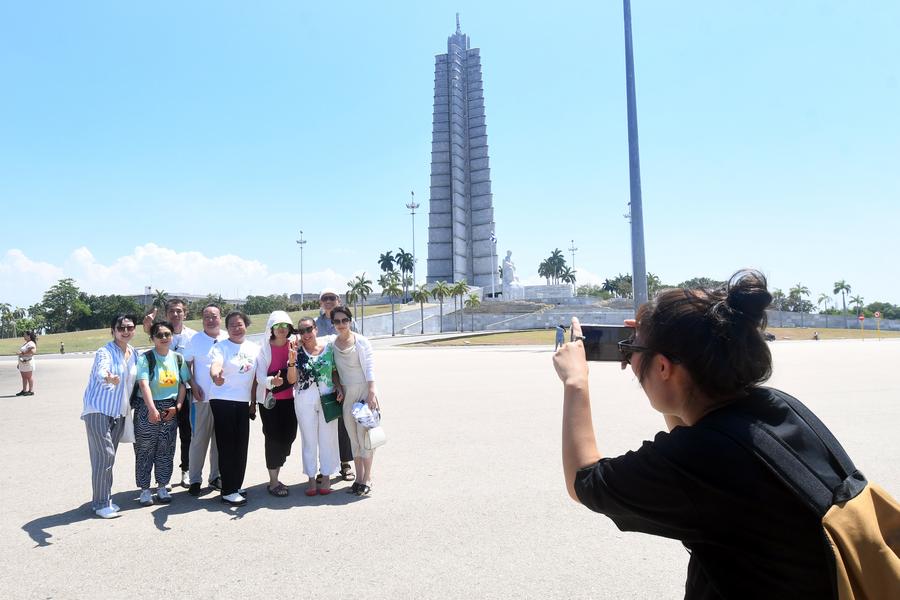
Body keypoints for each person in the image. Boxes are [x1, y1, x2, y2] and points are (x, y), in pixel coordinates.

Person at [554, 270, 856, 598]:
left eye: (636, 351)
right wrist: (648, 352)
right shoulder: (777, 406)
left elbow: (582, 481)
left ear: (664, 368)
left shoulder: (699, 457)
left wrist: (576, 382)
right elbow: (695, 427)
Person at [81, 314, 138, 519]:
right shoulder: (104, 351)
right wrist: (108, 377)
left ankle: (101, 500)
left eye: (129, 327)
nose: (125, 331)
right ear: (112, 330)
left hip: (119, 413)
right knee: (105, 455)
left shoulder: (134, 353)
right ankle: (102, 502)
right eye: (120, 328)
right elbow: (101, 369)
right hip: (98, 410)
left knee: (104, 459)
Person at [133, 321, 191, 506]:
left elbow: (183, 383)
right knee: (145, 449)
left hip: (170, 407)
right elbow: (143, 384)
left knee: (166, 449)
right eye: (160, 335)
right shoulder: (146, 358)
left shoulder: (178, 358)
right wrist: (151, 409)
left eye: (167, 334)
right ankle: (144, 489)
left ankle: (162, 486)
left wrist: (178, 407)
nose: (164, 338)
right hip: (147, 406)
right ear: (152, 338)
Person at [143, 298, 197, 488]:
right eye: (172, 311)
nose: (175, 314)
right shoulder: (161, 331)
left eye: (179, 311)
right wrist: (147, 326)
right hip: (163, 394)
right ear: (167, 314)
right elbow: (151, 334)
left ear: (185, 313)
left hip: (186, 392)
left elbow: (194, 365)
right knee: (164, 436)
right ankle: (163, 477)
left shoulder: (193, 336)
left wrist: (196, 389)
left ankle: (186, 470)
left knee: (187, 433)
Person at [209, 310, 260, 506]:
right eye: (232, 325)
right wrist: (216, 376)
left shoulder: (254, 348)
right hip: (222, 399)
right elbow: (216, 365)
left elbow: (256, 378)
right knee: (227, 445)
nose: (236, 328)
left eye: (239, 324)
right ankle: (228, 490)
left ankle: (236, 485)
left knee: (241, 444)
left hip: (242, 401)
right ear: (226, 328)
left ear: (246, 325)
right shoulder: (221, 347)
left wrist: (254, 402)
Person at [290, 317, 342, 496]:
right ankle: (311, 478)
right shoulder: (296, 351)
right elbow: (292, 380)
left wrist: (339, 386)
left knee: (328, 438)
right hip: (305, 398)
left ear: (316, 329)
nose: (305, 334)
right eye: (301, 331)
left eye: (308, 329)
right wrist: (291, 361)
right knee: (309, 439)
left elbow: (334, 371)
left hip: (328, 396)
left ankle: (326, 476)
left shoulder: (328, 348)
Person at [331, 306, 379, 496]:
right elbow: (333, 370)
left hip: (363, 393)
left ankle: (367, 478)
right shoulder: (332, 344)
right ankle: (358, 479)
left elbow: (370, 366)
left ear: (350, 321)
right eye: (337, 321)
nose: (341, 324)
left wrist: (372, 391)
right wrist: (338, 386)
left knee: (365, 437)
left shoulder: (361, 341)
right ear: (332, 324)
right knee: (353, 439)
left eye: (344, 320)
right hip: (347, 396)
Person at [183, 303, 227, 496]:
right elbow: (186, 366)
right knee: (199, 440)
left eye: (214, 316)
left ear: (220, 317)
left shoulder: (227, 337)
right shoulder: (195, 339)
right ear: (202, 319)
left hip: (225, 398)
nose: (211, 319)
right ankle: (194, 479)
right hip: (202, 399)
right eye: (207, 316)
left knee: (219, 441)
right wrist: (193, 386)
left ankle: (215, 477)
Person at [254, 310, 299, 497]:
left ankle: (278, 462)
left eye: (285, 326)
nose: (281, 329)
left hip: (291, 400)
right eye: (277, 326)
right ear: (271, 328)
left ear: (289, 328)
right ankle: (273, 481)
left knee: (289, 436)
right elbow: (260, 377)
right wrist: (273, 381)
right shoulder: (264, 348)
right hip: (269, 402)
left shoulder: (295, 346)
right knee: (272, 439)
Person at [315, 288, 356, 483]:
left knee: (344, 422)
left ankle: (345, 463)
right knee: (324, 424)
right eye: (325, 298)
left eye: (332, 298)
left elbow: (357, 346)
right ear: (321, 302)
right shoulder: (316, 324)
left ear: (338, 300)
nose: (329, 301)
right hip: (324, 380)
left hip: (346, 376)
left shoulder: (348, 321)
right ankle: (325, 466)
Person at [16, 331, 37, 396]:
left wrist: (22, 353)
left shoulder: (31, 343)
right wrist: (19, 363)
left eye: (25, 335)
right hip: (22, 362)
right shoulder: (26, 343)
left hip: (27, 362)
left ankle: (31, 390)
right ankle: (24, 390)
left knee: (29, 377)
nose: (24, 336)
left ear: (29, 336)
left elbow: (33, 351)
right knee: (24, 377)